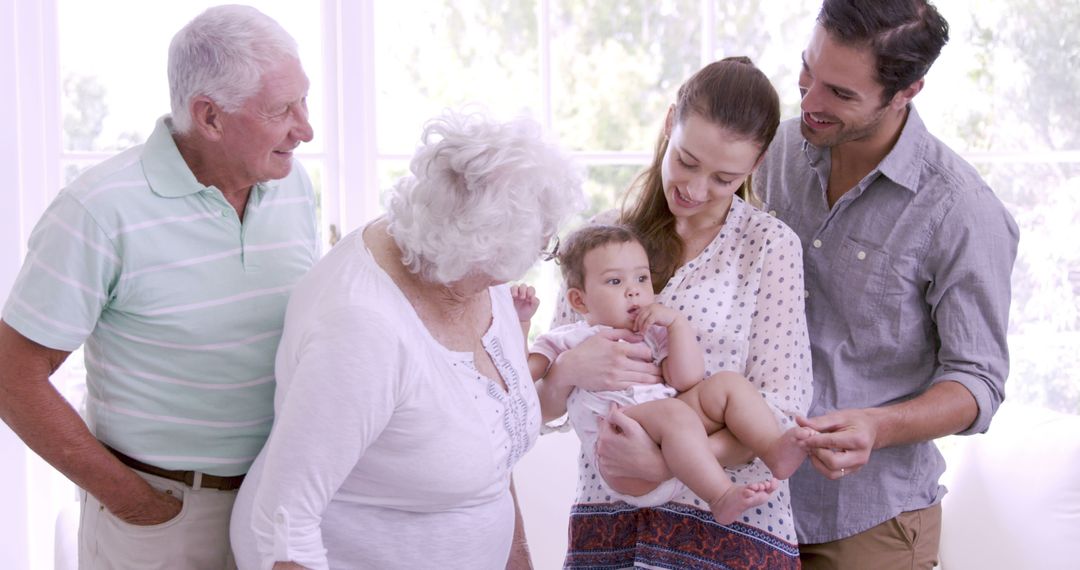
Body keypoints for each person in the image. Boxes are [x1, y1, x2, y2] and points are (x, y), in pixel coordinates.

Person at [0, 5, 317, 569]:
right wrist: (135, 502)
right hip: (164, 515)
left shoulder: (292, 187)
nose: (306, 127)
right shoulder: (98, 210)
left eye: (303, 99)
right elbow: (11, 376)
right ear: (210, 117)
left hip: (276, 507)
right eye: (281, 110)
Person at [228, 110, 584, 570]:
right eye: (537, 248)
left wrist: (518, 559)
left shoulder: (473, 270)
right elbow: (283, 523)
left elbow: (492, 444)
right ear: (474, 249)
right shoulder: (362, 328)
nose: (537, 257)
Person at [751, 1, 1020, 568]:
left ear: (907, 91)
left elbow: (978, 381)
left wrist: (878, 425)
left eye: (841, 94)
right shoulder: (771, 152)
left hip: (868, 521)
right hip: (750, 501)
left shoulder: (961, 210)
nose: (810, 102)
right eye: (808, 73)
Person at [533, 56, 813, 569]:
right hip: (611, 514)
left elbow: (780, 406)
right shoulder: (600, 241)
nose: (696, 189)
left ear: (756, 165)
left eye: (724, 178)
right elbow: (545, 401)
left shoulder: (768, 247)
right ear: (669, 124)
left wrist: (665, 462)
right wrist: (570, 371)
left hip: (732, 525)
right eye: (685, 160)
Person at [515, 224, 810, 525]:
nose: (634, 290)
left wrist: (677, 325)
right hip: (622, 459)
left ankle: (773, 450)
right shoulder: (568, 339)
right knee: (673, 412)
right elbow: (521, 382)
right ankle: (721, 496)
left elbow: (686, 381)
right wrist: (523, 323)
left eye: (642, 278)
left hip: (674, 439)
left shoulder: (652, 332)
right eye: (615, 281)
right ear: (579, 301)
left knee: (726, 385)